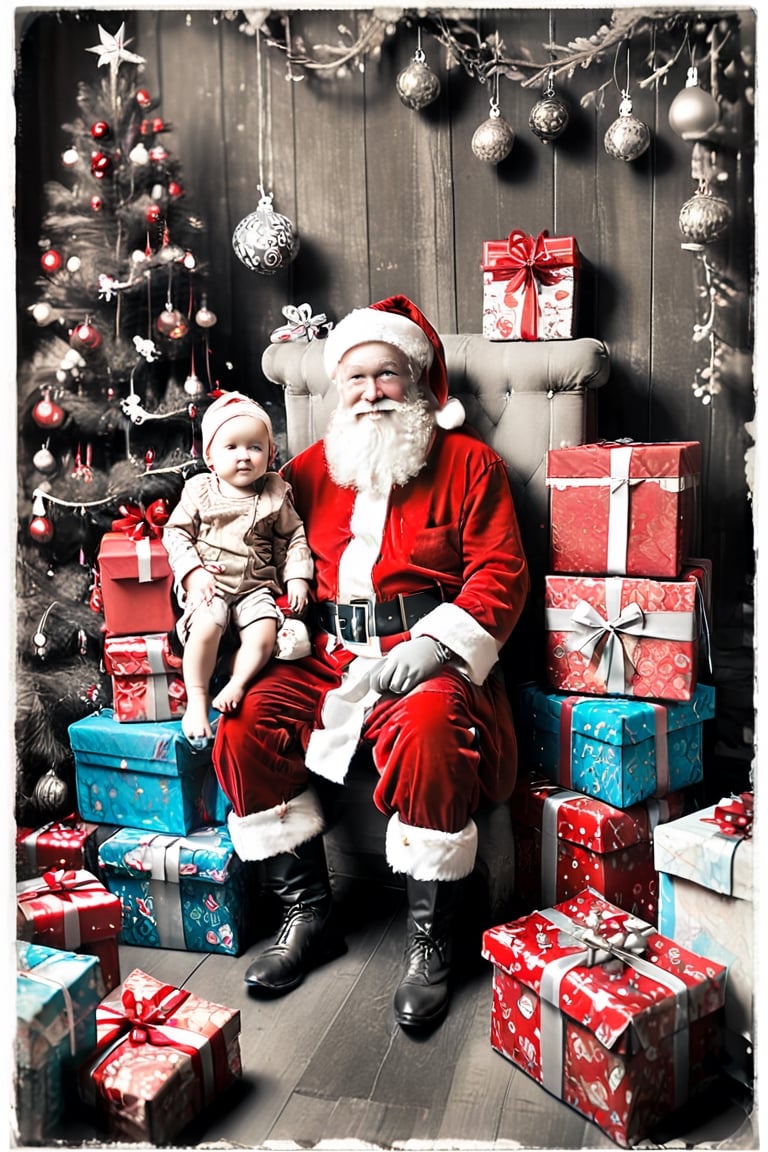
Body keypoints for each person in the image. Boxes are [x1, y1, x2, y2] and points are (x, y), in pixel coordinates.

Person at [213, 296, 530, 1029]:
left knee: (428, 726)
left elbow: (500, 574)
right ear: (336, 389)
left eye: (385, 374)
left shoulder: (470, 466)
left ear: (415, 380)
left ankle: (431, 939)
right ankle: (309, 916)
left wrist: (432, 646)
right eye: (353, 378)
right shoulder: (305, 472)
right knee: (245, 720)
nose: (369, 392)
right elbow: (246, 551)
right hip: (323, 653)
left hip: (430, 656)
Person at [162, 391, 314, 749]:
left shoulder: (276, 492)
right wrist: (193, 573)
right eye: (231, 447)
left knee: (264, 633)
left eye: (255, 447)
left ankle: (238, 682)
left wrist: (297, 576)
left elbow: (295, 536)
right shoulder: (200, 491)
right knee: (209, 623)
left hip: (256, 585)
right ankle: (196, 700)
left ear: (270, 454)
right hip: (210, 583)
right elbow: (176, 534)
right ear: (210, 457)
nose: (244, 456)